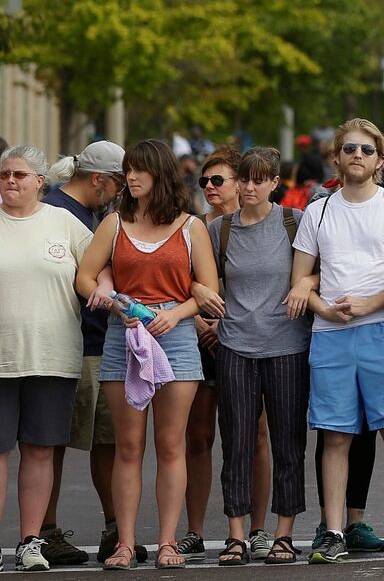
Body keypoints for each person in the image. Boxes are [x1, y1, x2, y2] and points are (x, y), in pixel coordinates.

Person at [74, 139, 223, 570]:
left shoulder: (190, 226)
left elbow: (209, 291)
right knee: (129, 446)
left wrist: (176, 314)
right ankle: (124, 543)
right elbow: (84, 278)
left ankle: (168, 542)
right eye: (128, 170)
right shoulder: (114, 224)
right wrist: (108, 296)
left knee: (171, 444)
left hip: (174, 338)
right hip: (126, 335)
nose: (131, 178)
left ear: (160, 174)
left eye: (140, 170)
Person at [287, 118, 384, 563]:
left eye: (367, 150)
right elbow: (300, 282)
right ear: (336, 157)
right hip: (331, 335)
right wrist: (324, 307)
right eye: (350, 148)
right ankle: (333, 531)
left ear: (380, 161)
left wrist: (373, 303)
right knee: (335, 436)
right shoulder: (319, 211)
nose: (357, 156)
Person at [208, 148, 309, 566]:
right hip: (234, 345)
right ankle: (236, 534)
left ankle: (283, 533)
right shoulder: (221, 229)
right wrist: (205, 307)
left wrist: (306, 285)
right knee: (237, 442)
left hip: (287, 346)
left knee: (288, 442)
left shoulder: (294, 223)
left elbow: (321, 267)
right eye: (244, 179)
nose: (250, 187)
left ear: (274, 182)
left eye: (259, 179)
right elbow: (206, 281)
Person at [2, 145, 95, 572]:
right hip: (2, 360)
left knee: (40, 451)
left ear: (41, 181)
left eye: (19, 175)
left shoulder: (65, 222)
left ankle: (30, 542)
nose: (10, 182)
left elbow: (97, 271)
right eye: (4, 175)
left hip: (53, 356)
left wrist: (113, 299)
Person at [39, 140, 124, 567]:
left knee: (106, 440)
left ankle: (114, 529)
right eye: (118, 184)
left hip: (95, 342)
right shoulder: (55, 212)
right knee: (50, 442)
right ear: (98, 180)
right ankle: (47, 531)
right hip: (71, 343)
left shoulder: (88, 212)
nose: (121, 192)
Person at [177, 147, 242, 561]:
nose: (210, 188)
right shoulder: (192, 227)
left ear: (240, 183)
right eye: (204, 181)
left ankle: (253, 530)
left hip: (243, 338)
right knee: (197, 438)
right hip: (197, 338)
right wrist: (199, 321)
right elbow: (173, 278)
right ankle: (195, 530)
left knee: (249, 437)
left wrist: (227, 323)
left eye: (218, 180)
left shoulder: (256, 225)